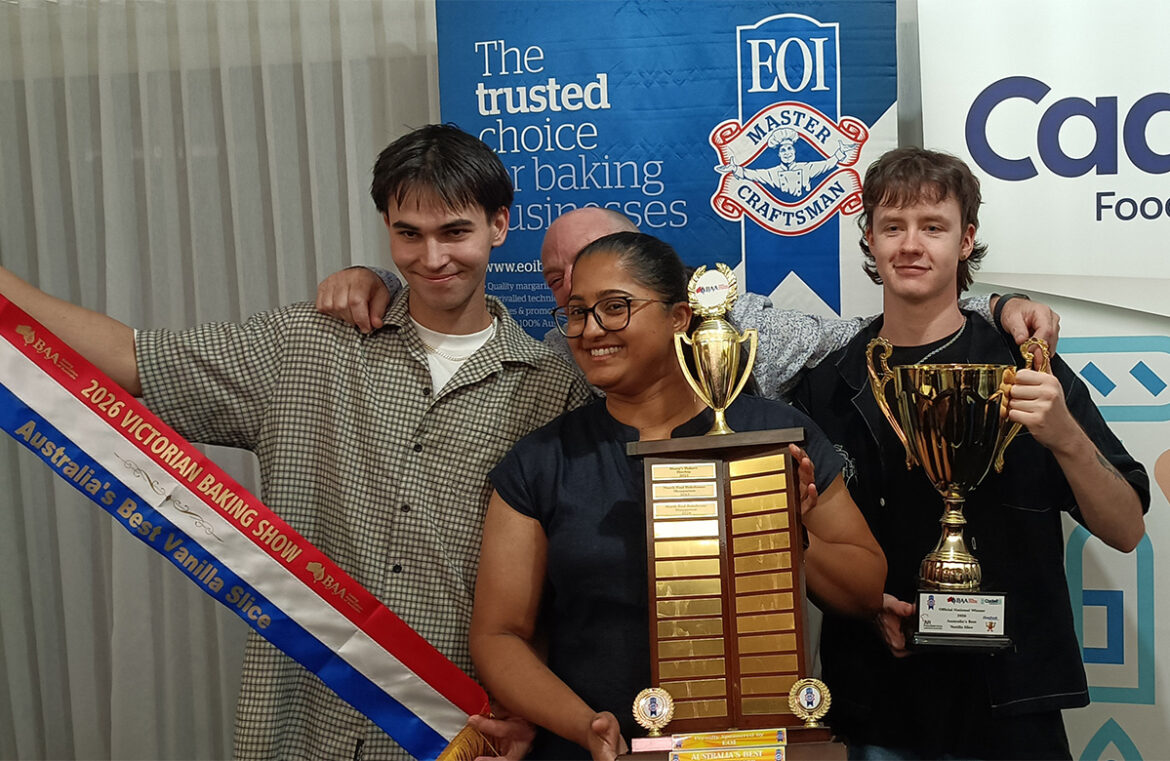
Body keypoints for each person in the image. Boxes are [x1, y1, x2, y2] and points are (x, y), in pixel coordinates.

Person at [0, 124, 592, 760]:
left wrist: (530, 705)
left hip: (460, 730)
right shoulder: (307, 343)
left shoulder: (553, 388)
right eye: (408, 234)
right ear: (386, 227)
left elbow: (563, 587)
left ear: (498, 226)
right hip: (302, 722)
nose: (431, 258)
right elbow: (131, 357)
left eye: (454, 232)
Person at [468, 232, 888, 761]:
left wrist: (789, 533)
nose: (591, 330)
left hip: (756, 748)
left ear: (680, 317)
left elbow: (866, 590)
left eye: (615, 308)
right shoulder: (542, 461)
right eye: (577, 313)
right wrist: (585, 726)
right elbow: (499, 634)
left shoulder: (775, 438)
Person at [791, 147, 1150, 760]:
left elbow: (1125, 529)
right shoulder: (825, 385)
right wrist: (864, 602)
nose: (911, 245)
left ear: (966, 240)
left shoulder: (1028, 367)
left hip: (1013, 696)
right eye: (892, 227)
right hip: (882, 695)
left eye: (933, 226)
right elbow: (807, 540)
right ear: (870, 241)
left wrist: (1064, 434)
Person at [316, 206, 1060, 401]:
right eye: (556, 280)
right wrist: (373, 277)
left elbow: (877, 332)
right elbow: (456, 328)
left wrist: (991, 305)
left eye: (595, 266)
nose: (577, 290)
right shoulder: (546, 363)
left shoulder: (747, 325)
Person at [716, 127, 855, 197]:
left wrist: (840, 152)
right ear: (779, 154)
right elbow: (753, 174)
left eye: (789, 149)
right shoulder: (773, 173)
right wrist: (735, 168)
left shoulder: (806, 168)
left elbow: (827, 164)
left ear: (794, 152)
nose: (787, 153)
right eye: (783, 150)